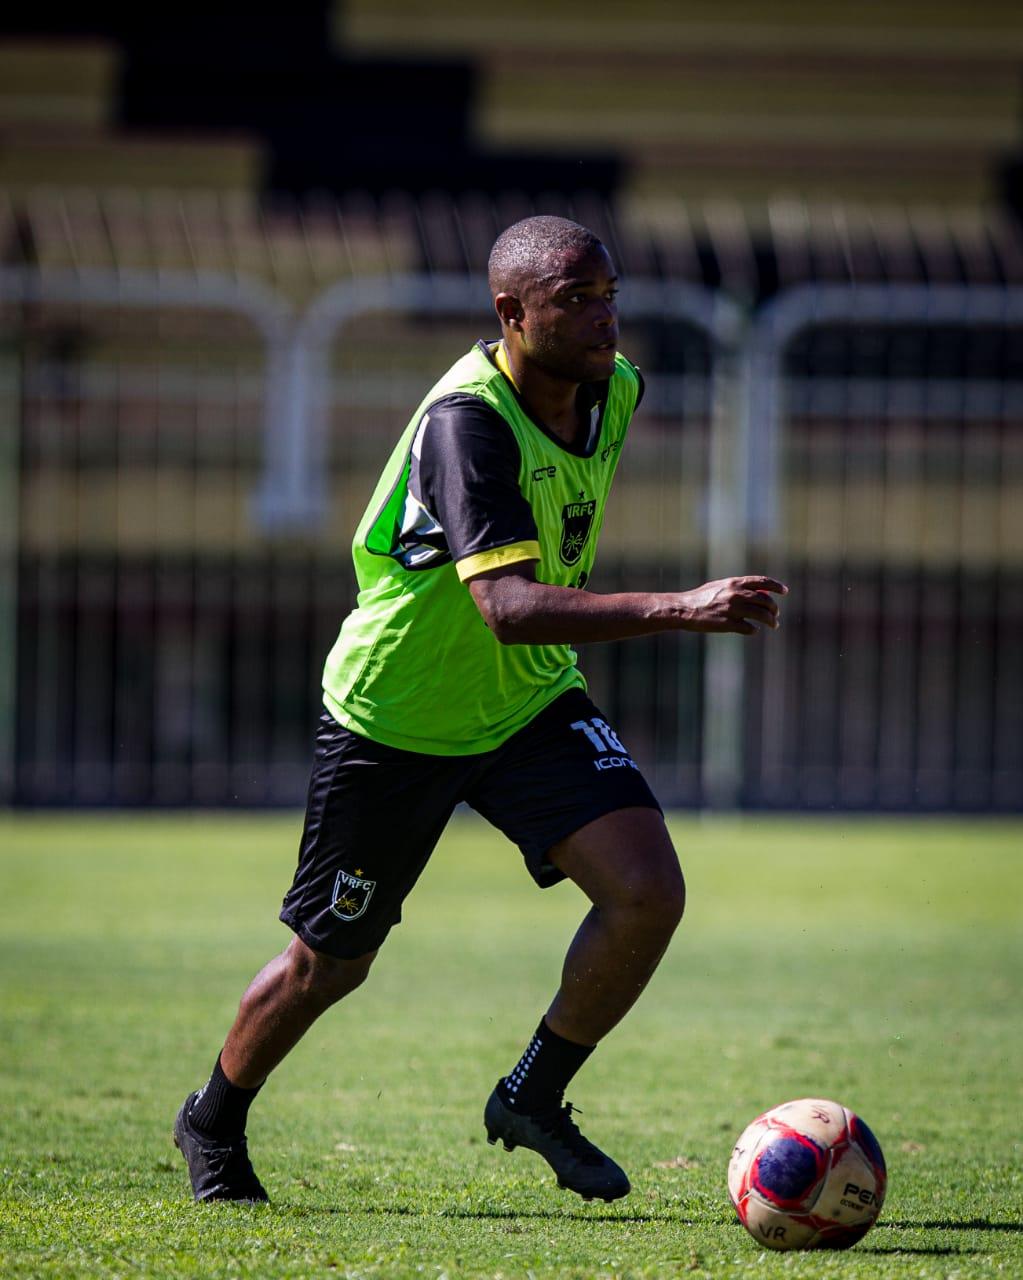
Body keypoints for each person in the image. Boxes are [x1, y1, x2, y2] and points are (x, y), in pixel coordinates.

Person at [174, 215, 786, 1205]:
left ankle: (532, 1095)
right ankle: (212, 1117)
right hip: (396, 718)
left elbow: (539, 582)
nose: (605, 318)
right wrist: (679, 606)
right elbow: (502, 606)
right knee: (330, 964)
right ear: (510, 313)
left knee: (646, 890)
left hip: (527, 699)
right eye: (576, 299)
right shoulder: (466, 423)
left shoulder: (614, 390)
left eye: (610, 293)